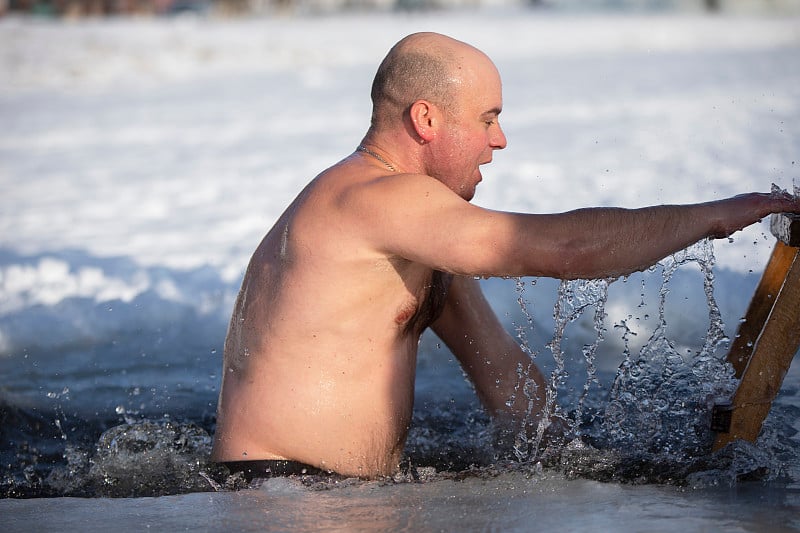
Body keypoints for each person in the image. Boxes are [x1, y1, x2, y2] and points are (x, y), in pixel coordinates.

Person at [210, 32, 800, 479]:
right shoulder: (374, 199)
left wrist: (596, 468)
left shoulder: (412, 232)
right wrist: (719, 216)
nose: (500, 140)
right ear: (426, 119)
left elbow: (501, 369)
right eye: (488, 119)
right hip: (278, 498)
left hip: (327, 495)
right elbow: (567, 248)